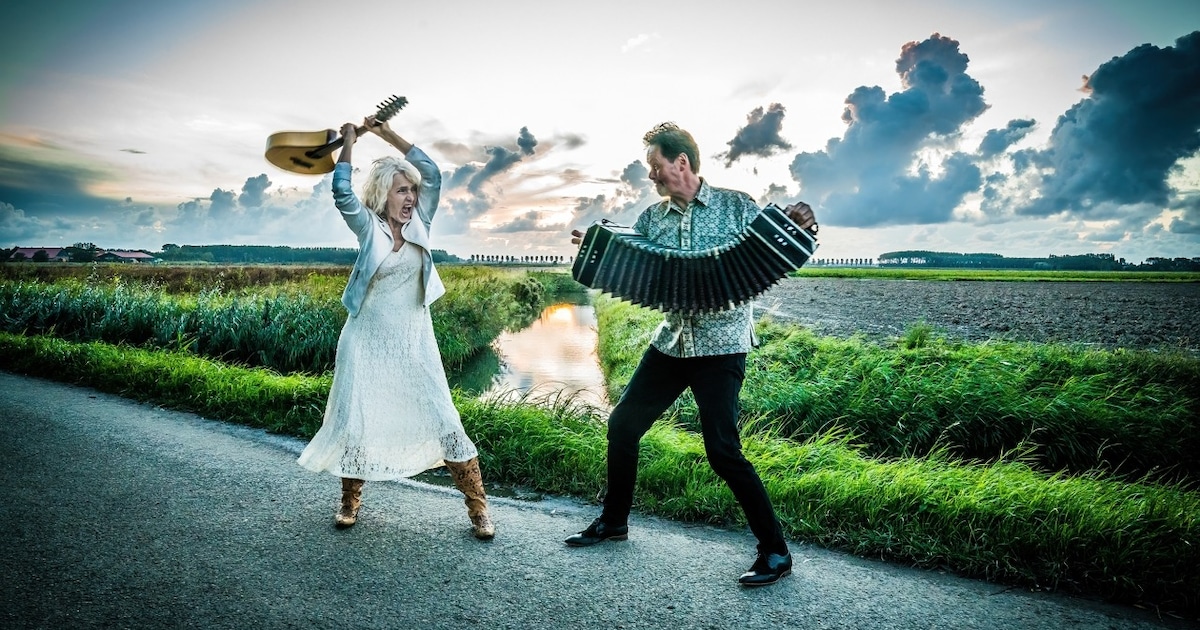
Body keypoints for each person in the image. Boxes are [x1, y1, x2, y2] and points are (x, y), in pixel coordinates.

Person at [565, 122, 817, 586]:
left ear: (681, 162)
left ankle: (776, 552)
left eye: (655, 167)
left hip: (722, 348)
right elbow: (630, 264)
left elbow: (781, 243)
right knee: (623, 425)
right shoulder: (651, 220)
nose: (652, 177)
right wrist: (599, 250)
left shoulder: (738, 207)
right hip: (673, 343)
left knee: (722, 451)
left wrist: (799, 219)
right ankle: (614, 522)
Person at [297, 116, 495, 540]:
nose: (410, 197)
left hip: (413, 340)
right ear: (384, 193)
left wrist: (386, 134)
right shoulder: (369, 228)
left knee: (444, 415)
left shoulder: (421, 220)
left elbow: (435, 173)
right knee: (358, 419)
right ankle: (350, 500)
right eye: (402, 189)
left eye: (412, 190)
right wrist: (348, 144)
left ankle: (478, 509)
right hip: (366, 340)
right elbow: (341, 192)